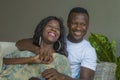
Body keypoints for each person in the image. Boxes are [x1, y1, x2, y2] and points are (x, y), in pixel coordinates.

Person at [16, 7, 97, 80]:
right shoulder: (57, 37)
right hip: (42, 75)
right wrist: (37, 49)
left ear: (87, 26)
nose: (78, 28)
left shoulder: (88, 50)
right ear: (68, 23)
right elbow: (20, 43)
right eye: (74, 23)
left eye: (83, 24)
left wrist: (62, 77)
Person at [0, 16, 71, 80]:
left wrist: (61, 76)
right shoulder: (27, 48)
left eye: (57, 29)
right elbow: (4, 61)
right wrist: (31, 59)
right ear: (42, 29)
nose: (53, 29)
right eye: (50, 26)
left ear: (59, 36)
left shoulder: (61, 59)